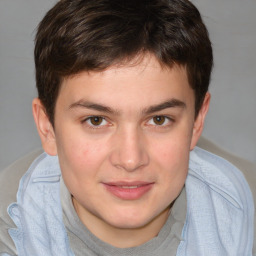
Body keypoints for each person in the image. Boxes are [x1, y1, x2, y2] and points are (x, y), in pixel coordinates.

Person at [0, 0, 254, 255]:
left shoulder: (246, 210)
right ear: (47, 127)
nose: (131, 159)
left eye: (159, 120)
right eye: (96, 120)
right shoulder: (10, 228)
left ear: (197, 121)